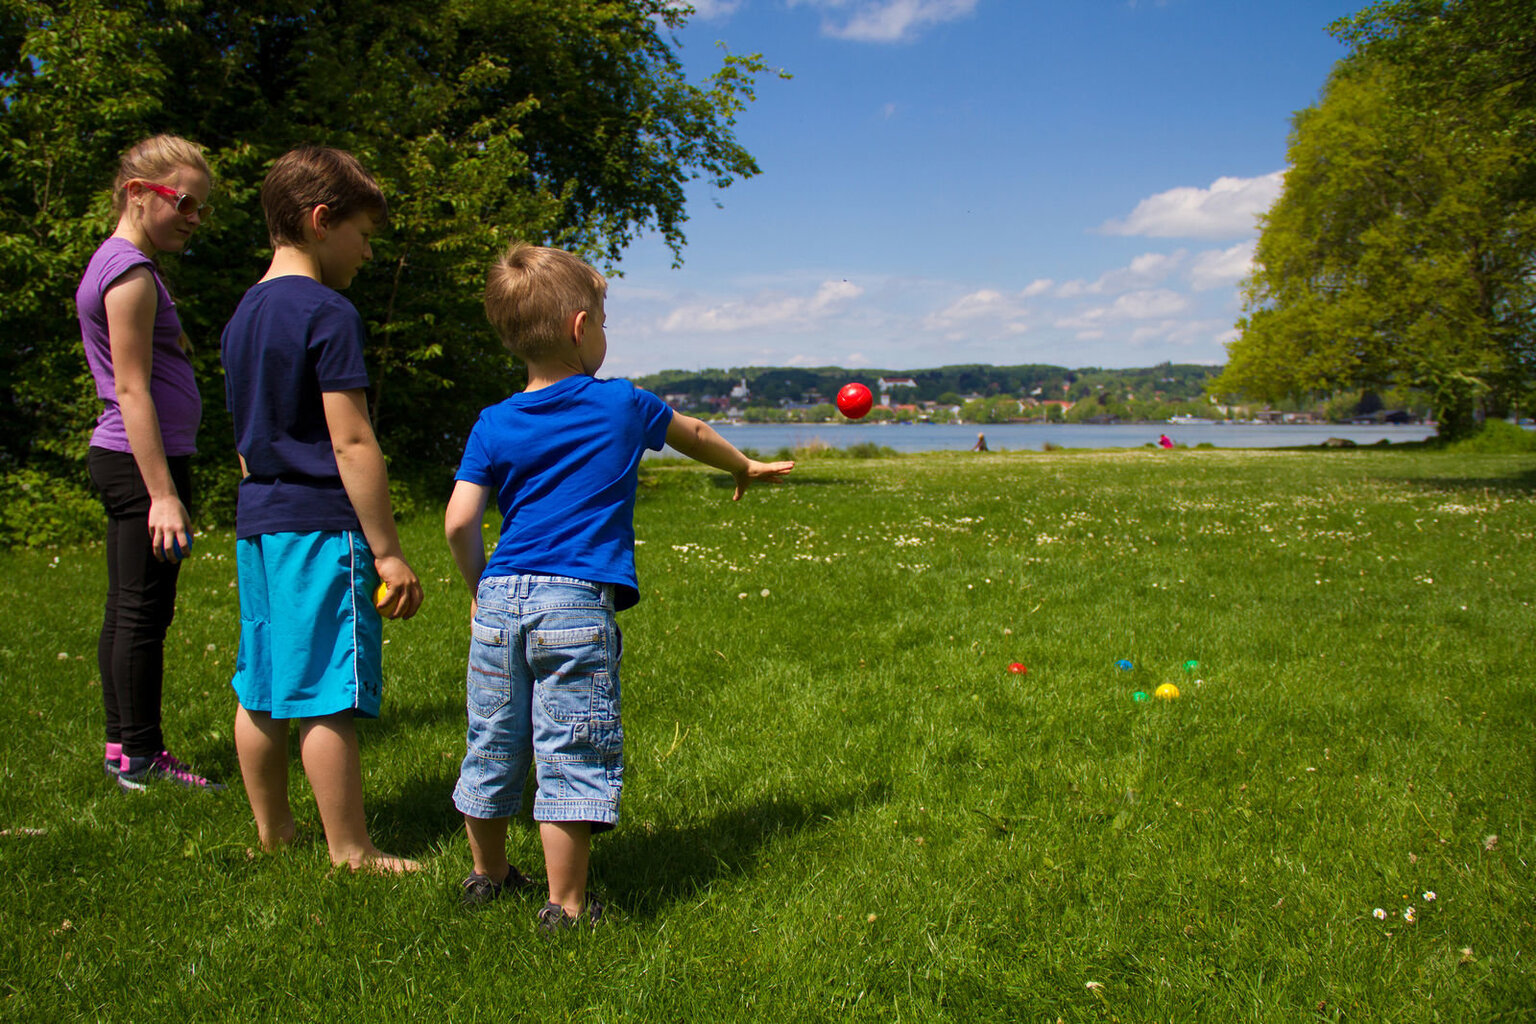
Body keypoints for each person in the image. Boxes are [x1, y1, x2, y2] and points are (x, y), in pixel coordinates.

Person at [445, 242, 794, 929]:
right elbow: (690, 431)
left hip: (502, 597)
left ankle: (487, 876)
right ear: (581, 328)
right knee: (571, 744)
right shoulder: (622, 404)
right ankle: (567, 906)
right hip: (574, 601)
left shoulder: (493, 422)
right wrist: (741, 465)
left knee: (493, 739)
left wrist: (479, 592)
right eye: (603, 320)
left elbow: (459, 521)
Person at [220, 147, 424, 872]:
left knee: (264, 685)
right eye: (364, 234)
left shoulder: (243, 315)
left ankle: (274, 833)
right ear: (319, 220)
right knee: (329, 692)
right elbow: (352, 436)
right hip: (319, 527)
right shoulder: (328, 312)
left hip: (259, 524)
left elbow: (244, 439)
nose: (369, 251)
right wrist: (389, 550)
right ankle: (351, 849)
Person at [78, 134, 223, 791]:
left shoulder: (121, 264)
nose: (193, 217)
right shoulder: (130, 274)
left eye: (201, 208)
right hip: (143, 467)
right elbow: (131, 387)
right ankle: (139, 756)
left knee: (130, 608)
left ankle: (125, 748)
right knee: (143, 612)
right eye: (184, 203)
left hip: (133, 461)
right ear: (139, 193)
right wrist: (163, 492)